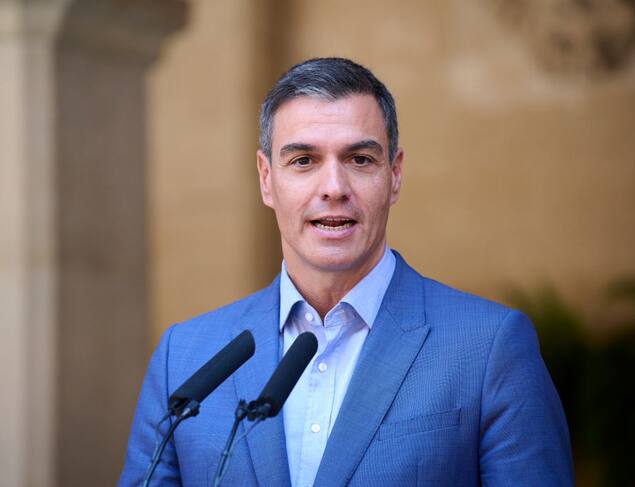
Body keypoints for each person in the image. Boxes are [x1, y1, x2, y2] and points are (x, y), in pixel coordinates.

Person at [119, 57, 573, 486]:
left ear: (394, 175)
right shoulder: (185, 358)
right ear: (266, 178)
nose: (334, 188)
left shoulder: (489, 348)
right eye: (303, 161)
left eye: (360, 160)